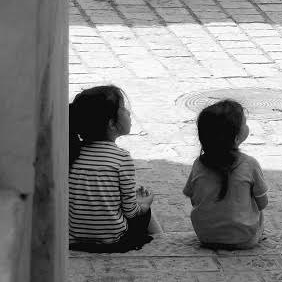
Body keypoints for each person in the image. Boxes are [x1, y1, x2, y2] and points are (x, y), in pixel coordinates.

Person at [68, 85, 162, 252]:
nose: (129, 113)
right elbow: (131, 212)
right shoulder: (121, 158)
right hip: (113, 241)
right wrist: (144, 204)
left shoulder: (72, 153)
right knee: (145, 213)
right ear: (111, 124)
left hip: (74, 238)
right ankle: (163, 243)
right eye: (124, 109)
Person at [183, 99, 268, 249]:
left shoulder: (199, 164)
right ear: (236, 137)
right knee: (258, 211)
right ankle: (252, 234)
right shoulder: (250, 164)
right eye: (244, 124)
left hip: (206, 236)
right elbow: (263, 203)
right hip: (244, 239)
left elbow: (193, 198)